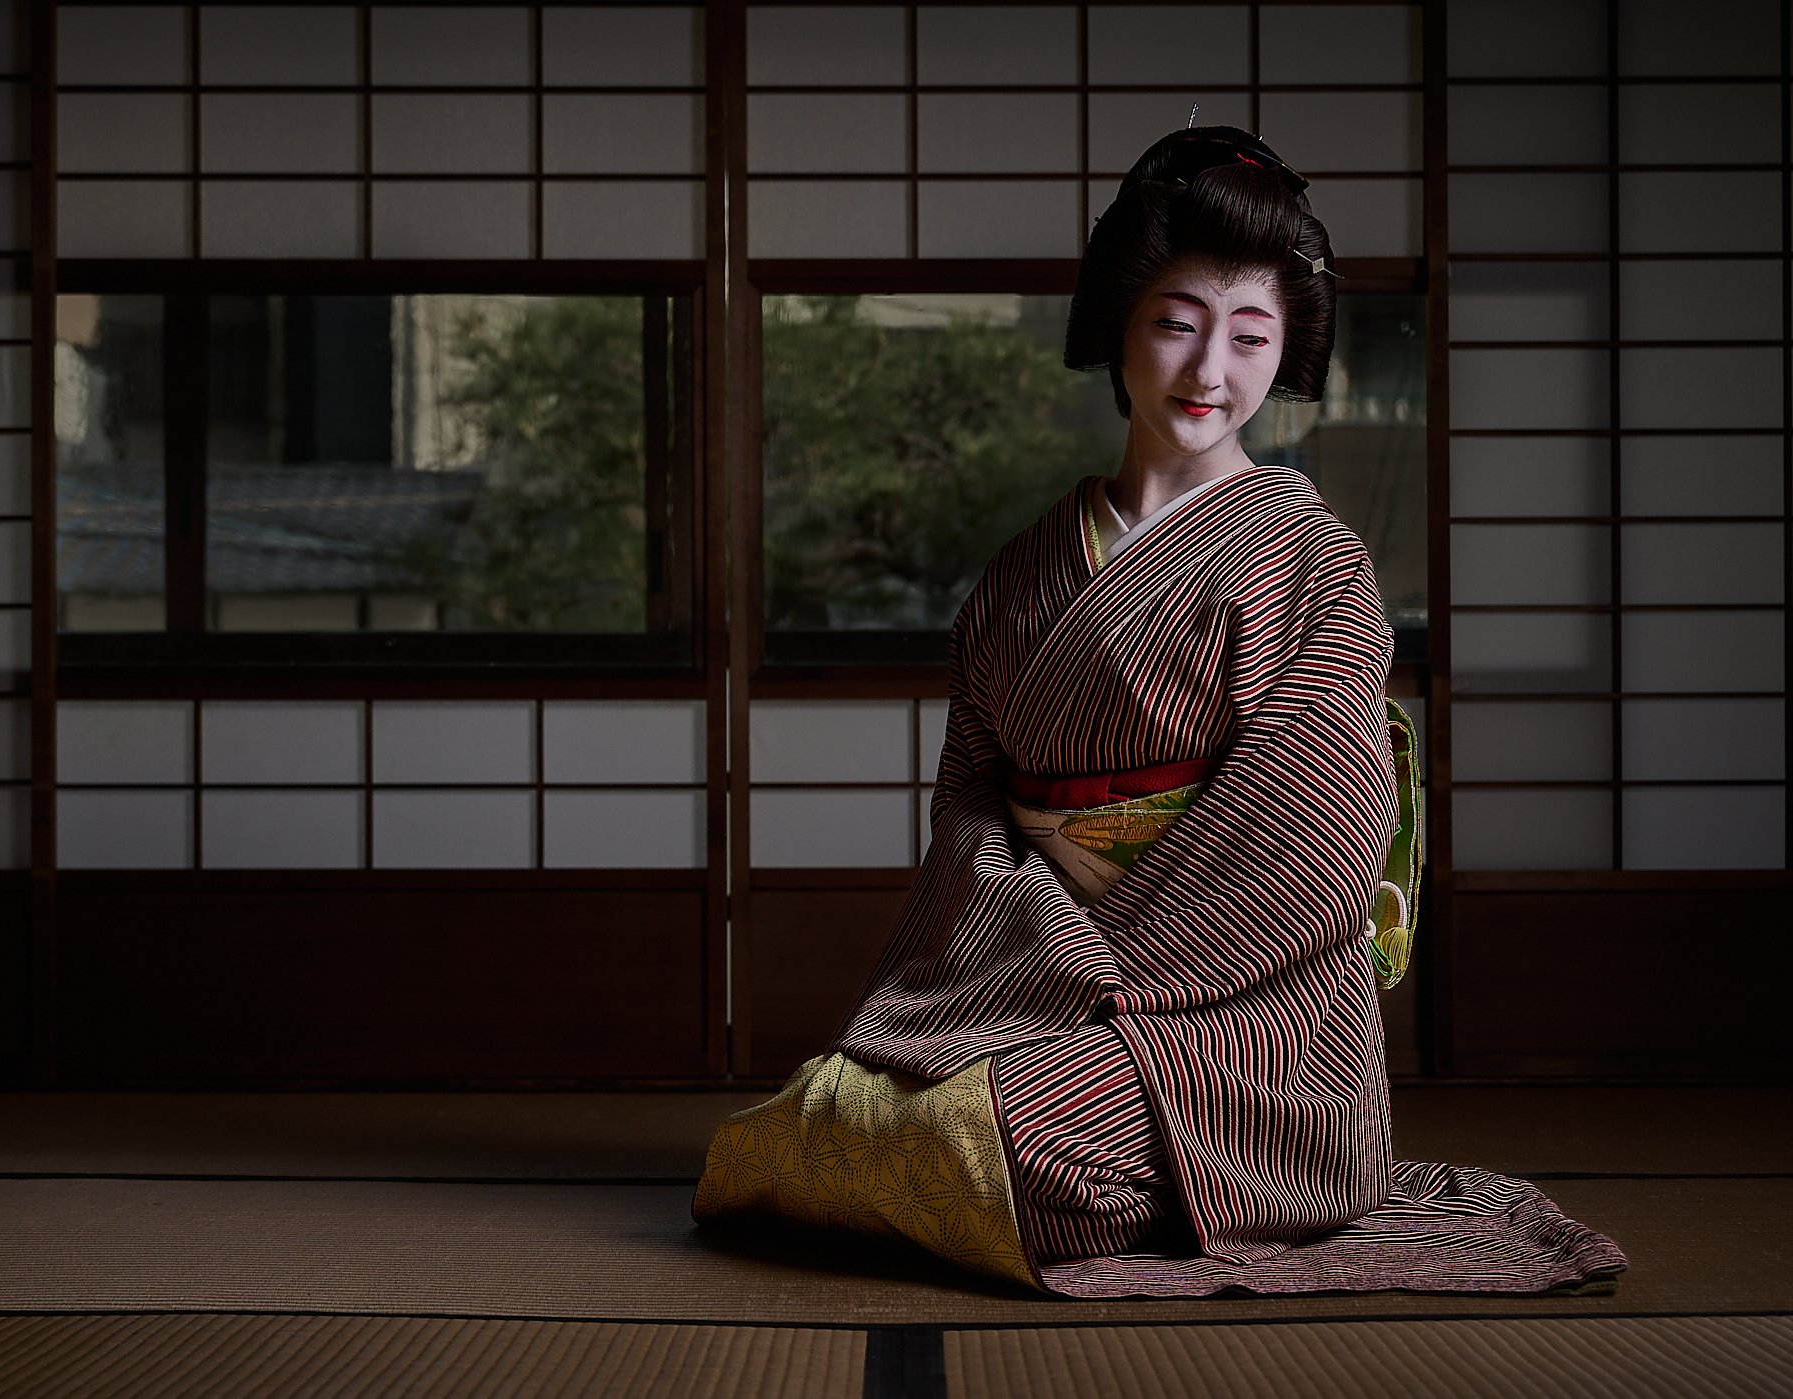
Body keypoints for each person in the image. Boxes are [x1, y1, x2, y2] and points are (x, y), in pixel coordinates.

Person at [693, 124, 1626, 1298]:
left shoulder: (1313, 561)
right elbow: (974, 801)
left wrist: (1107, 976)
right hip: (1038, 974)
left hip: (1249, 1022)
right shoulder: (1023, 573)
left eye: (1250, 336)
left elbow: (1316, 834)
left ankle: (1191, 1138)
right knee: (796, 1130)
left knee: (1008, 1143)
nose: (1209, 371)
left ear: (1285, 353)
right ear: (1122, 329)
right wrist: (1044, 962)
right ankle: (1004, 1089)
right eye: (1179, 323)